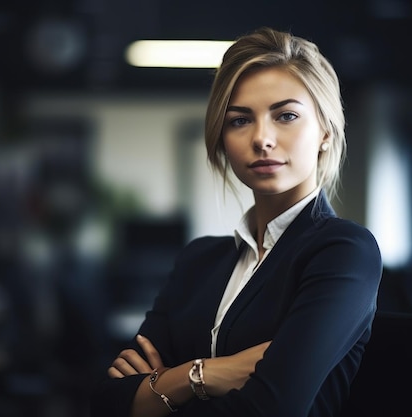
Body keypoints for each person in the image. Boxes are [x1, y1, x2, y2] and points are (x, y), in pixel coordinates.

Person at [91, 27, 382, 417]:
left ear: (325, 131)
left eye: (287, 116)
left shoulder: (343, 252)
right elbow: (109, 403)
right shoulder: (199, 259)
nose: (262, 138)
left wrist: (163, 387)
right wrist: (204, 375)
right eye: (240, 120)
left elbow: (271, 408)